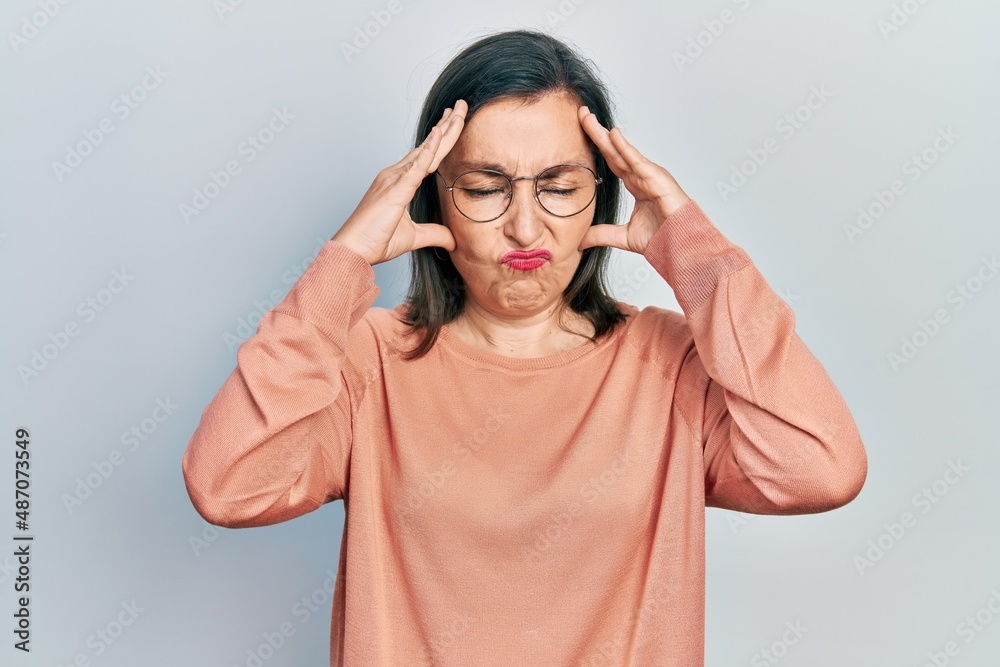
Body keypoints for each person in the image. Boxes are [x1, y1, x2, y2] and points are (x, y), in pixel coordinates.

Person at [181, 28, 867, 667]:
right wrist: (344, 262)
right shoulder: (368, 364)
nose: (525, 225)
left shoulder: (670, 366)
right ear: (433, 200)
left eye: (560, 187)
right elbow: (227, 484)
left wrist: (699, 256)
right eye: (484, 189)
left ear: (601, 196)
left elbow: (823, 466)